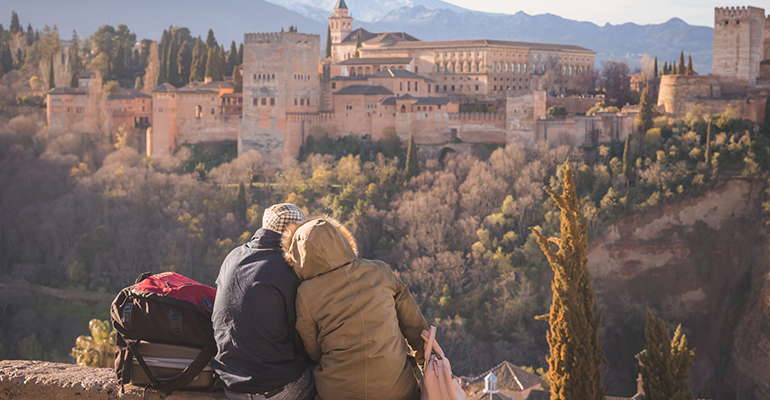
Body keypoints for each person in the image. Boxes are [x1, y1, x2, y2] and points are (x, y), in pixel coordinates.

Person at [282, 216, 428, 400]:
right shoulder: (380, 271)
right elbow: (416, 328)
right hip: (397, 389)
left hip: (339, 392)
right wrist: (426, 367)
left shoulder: (306, 294)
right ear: (341, 241)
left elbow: (313, 349)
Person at [212, 203, 316, 400]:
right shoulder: (291, 267)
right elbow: (302, 337)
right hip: (276, 389)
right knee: (332, 378)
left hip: (230, 385)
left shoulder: (233, 256)